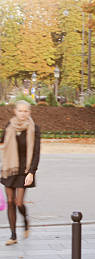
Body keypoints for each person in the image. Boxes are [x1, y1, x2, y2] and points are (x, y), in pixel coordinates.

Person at [0, 100, 41, 245]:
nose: (23, 113)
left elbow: (36, 153)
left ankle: (25, 219)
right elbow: (2, 143)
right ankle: (13, 235)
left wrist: (32, 173)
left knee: (18, 202)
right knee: (10, 201)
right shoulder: (9, 126)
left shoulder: (34, 128)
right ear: (15, 111)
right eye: (20, 111)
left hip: (24, 170)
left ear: (29, 112)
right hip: (10, 168)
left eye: (26, 111)